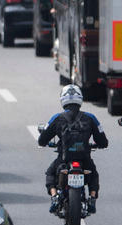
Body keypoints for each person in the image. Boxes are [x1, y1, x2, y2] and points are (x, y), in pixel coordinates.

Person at [38, 84, 108, 213]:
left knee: (50, 173)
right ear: (80, 99)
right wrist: (98, 144)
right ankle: (92, 198)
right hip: (85, 158)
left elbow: (42, 140)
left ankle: (54, 197)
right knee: (93, 175)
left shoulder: (57, 118)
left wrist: (46, 143)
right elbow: (103, 141)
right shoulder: (91, 118)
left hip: (64, 159)